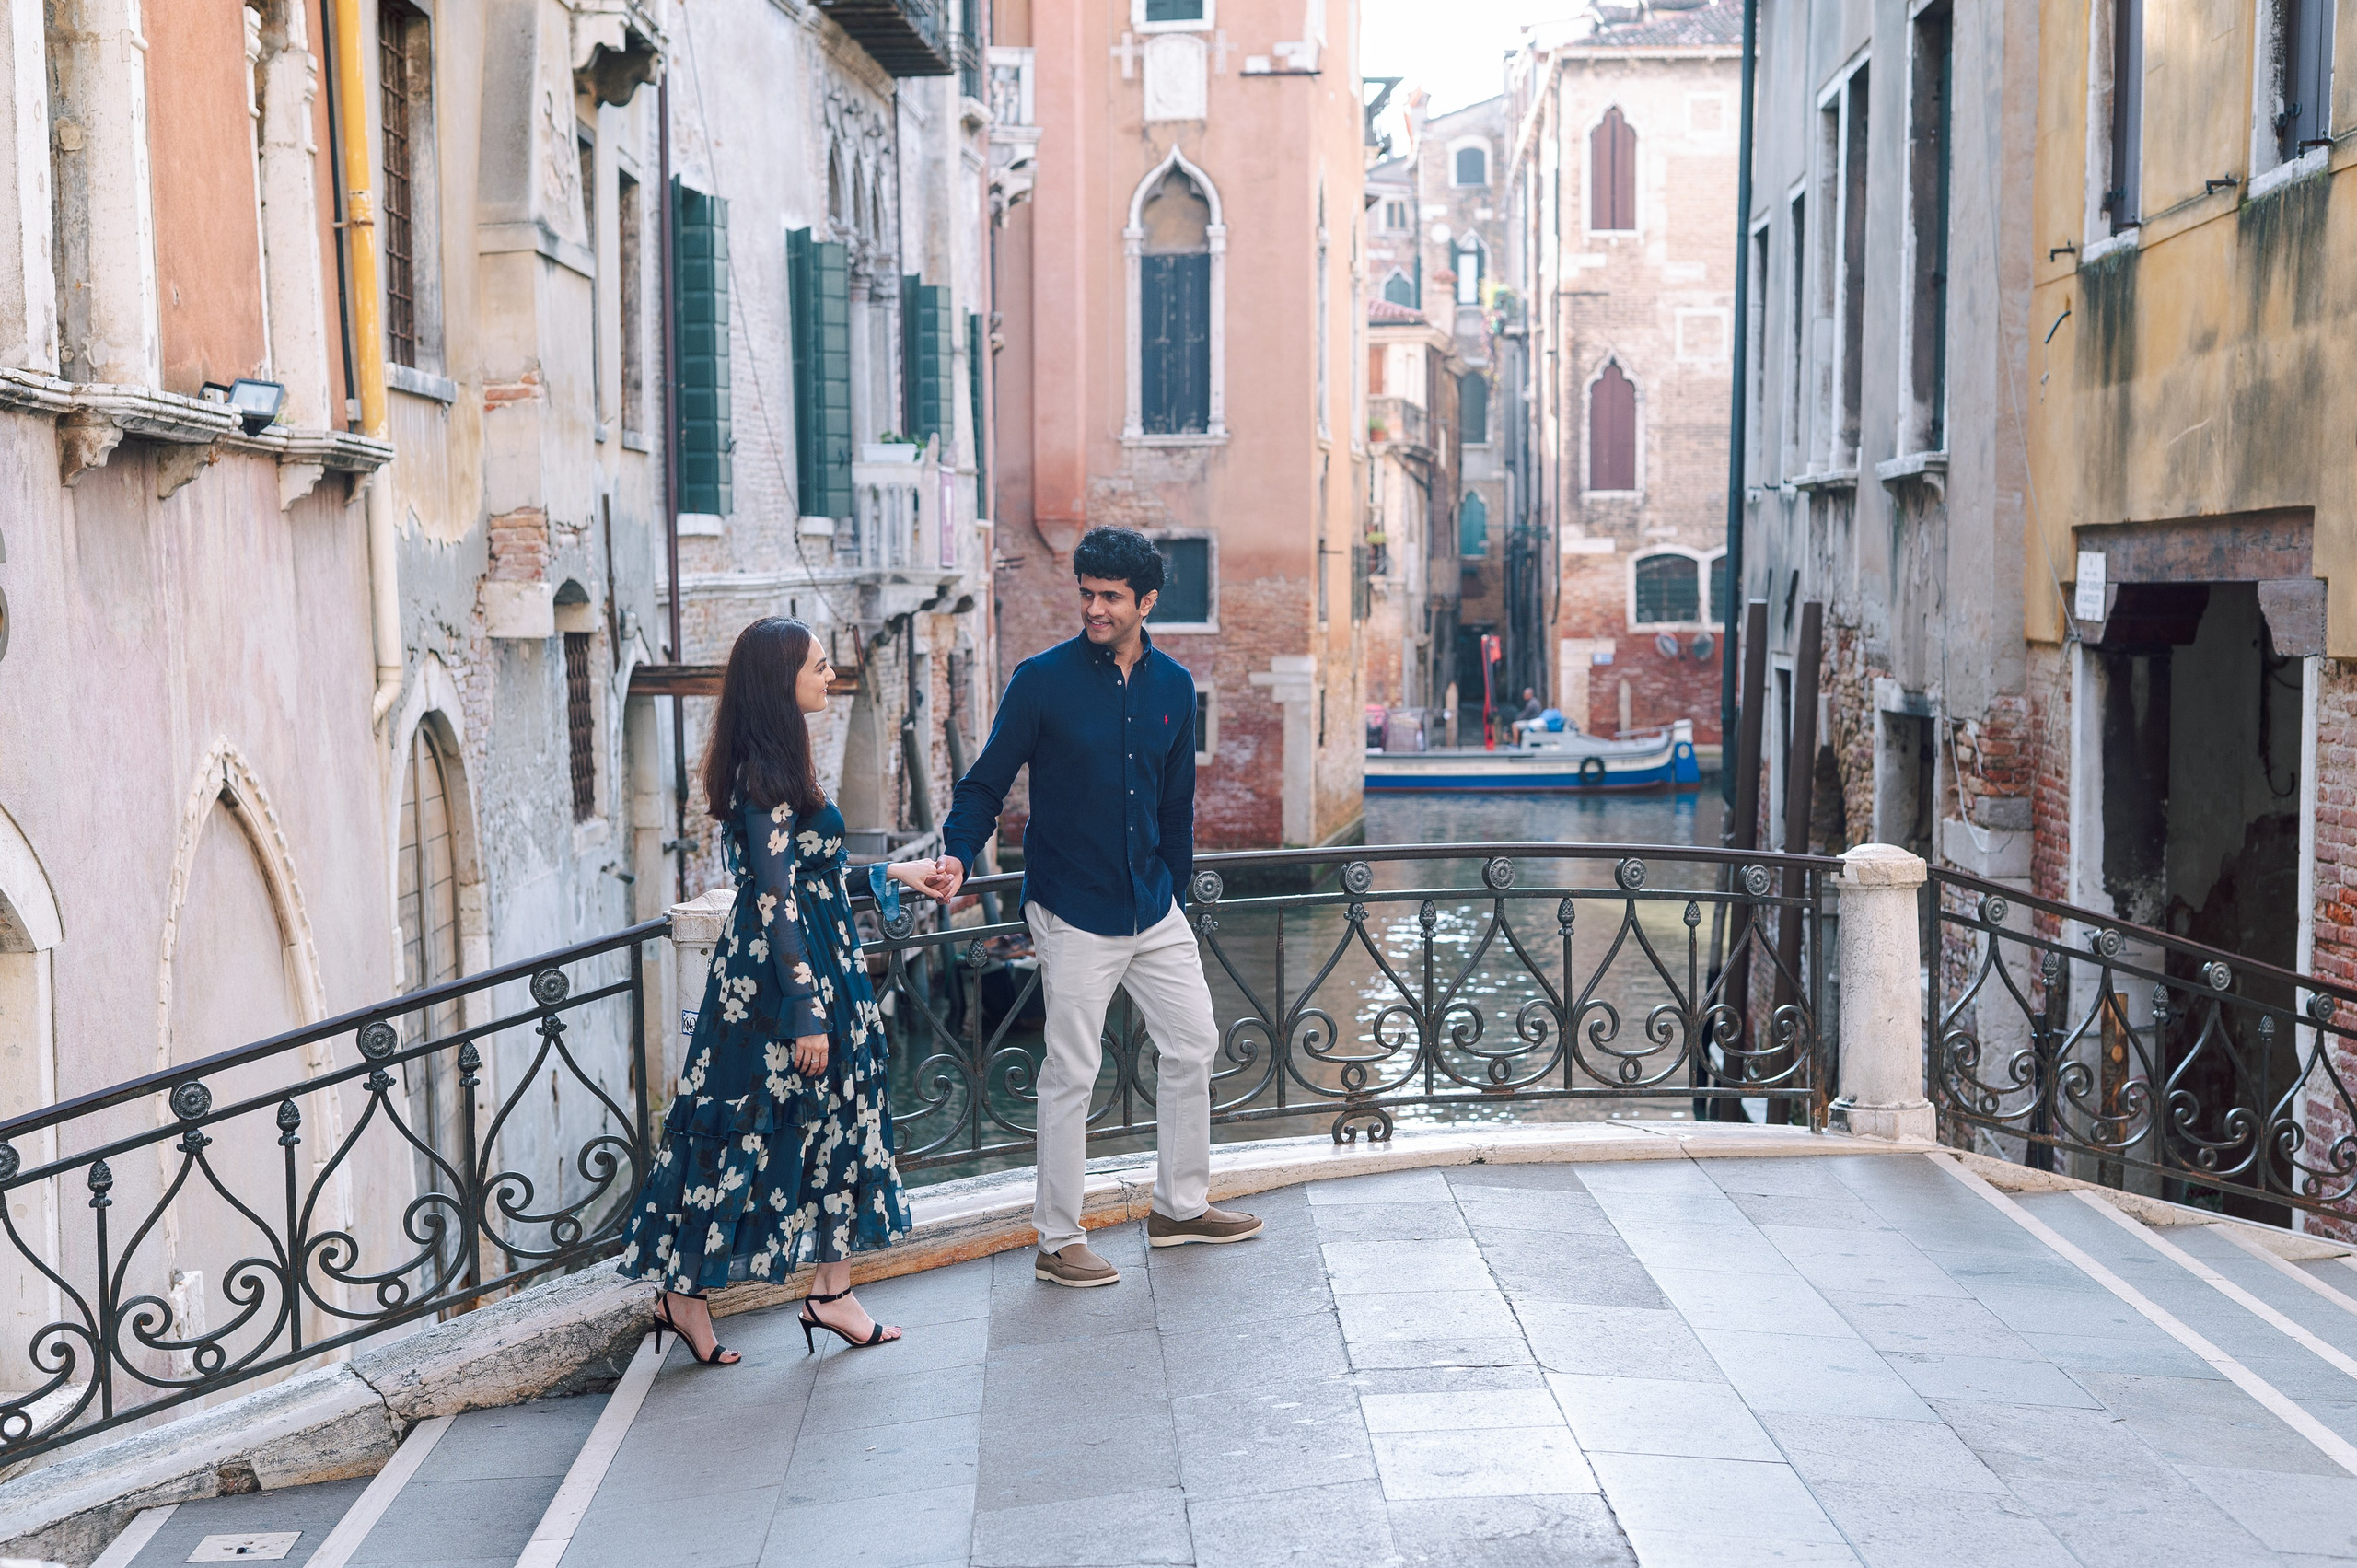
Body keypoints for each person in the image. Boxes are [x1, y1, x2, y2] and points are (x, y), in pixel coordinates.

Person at [922, 527, 1260, 1287]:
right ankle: (1057, 1239)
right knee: (1073, 1069)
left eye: (1110, 596)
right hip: (1072, 907)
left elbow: (1178, 807)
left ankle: (1178, 1206)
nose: (1095, 607)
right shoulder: (1040, 681)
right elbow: (987, 781)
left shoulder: (1174, 687)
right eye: (1087, 593)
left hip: (1152, 905)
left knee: (1194, 1041)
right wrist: (955, 850)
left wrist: (1172, 888)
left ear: (1146, 601)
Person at [616, 618, 935, 1361]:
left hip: (823, 970)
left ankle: (828, 1290)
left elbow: (815, 877)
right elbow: (773, 897)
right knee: (747, 1124)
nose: (830, 677)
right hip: (779, 988)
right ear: (780, 682)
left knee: (838, 1121)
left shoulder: (784, 765)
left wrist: (894, 874)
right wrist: (805, 1011)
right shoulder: (761, 781)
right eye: (819, 668)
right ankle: (688, 1293)